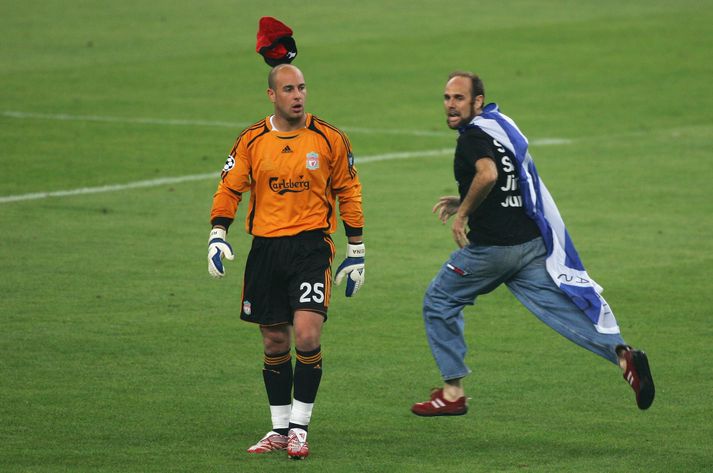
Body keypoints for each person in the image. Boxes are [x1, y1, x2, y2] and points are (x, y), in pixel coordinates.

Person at [411, 71, 654, 416]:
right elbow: (509, 177)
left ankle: (452, 393)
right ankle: (623, 356)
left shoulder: (471, 139)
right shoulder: (498, 128)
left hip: (493, 251)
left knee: (439, 299)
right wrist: (464, 199)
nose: (450, 105)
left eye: (459, 98)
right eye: (447, 98)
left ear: (477, 102)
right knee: (560, 311)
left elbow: (489, 174)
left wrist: (463, 214)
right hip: (529, 245)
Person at [207, 63, 365, 459]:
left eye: (302, 88)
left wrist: (357, 250)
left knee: (308, 334)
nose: (298, 95)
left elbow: (349, 190)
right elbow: (229, 187)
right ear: (272, 96)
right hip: (266, 250)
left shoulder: (329, 138)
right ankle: (279, 429)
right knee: (275, 339)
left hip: (311, 247)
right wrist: (217, 234)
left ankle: (299, 428)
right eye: (290, 89)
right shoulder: (251, 140)